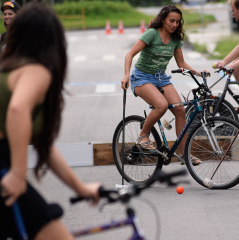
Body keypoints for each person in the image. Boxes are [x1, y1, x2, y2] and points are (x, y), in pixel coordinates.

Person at [0, 3, 100, 240]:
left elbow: (45, 147)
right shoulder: (36, 69)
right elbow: (17, 109)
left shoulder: (10, 70)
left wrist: (81, 188)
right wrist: (17, 173)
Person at [121, 5, 207, 165]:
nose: (174, 24)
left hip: (161, 79)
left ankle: (184, 155)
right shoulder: (151, 34)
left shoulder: (175, 39)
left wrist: (198, 73)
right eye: (171, 21)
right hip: (141, 78)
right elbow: (130, 54)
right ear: (163, 20)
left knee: (180, 111)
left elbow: (181, 63)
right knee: (161, 105)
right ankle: (143, 135)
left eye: (177, 22)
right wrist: (126, 74)